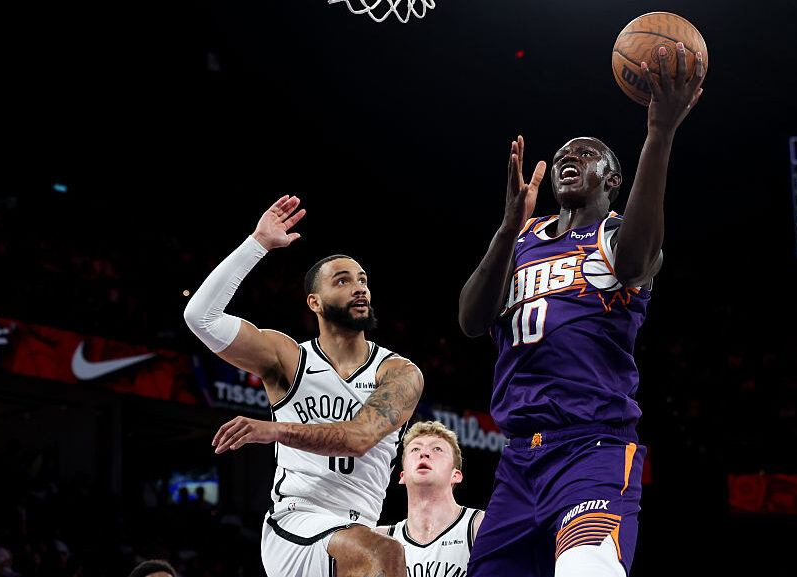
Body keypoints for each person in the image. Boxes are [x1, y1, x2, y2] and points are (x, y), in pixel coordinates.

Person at [457, 44, 704, 576]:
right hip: (517, 462)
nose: (570, 157)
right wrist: (506, 226)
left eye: (588, 155)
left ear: (613, 180)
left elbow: (636, 264)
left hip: (592, 449)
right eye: (564, 155)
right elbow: (471, 321)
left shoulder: (617, 236)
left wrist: (659, 134)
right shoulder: (521, 239)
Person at [183, 195, 423, 577]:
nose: (359, 288)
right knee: (386, 554)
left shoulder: (399, 372)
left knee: (386, 553)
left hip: (358, 527)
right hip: (297, 521)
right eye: (343, 281)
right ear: (315, 302)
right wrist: (257, 244)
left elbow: (359, 438)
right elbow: (201, 317)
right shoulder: (289, 359)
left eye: (363, 280)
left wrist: (274, 430)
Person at [375, 421, 484, 577]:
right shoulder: (380, 540)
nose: (424, 454)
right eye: (415, 449)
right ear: (402, 476)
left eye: (437, 449)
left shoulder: (480, 525)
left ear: (456, 475)